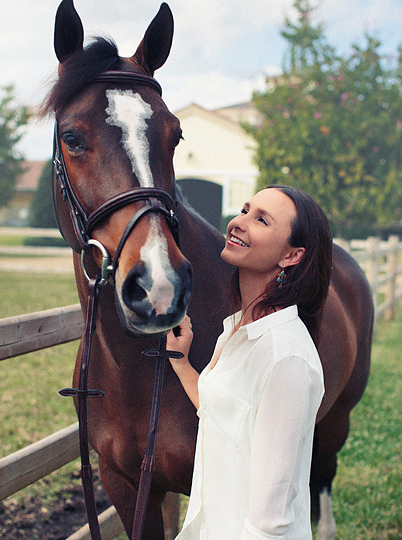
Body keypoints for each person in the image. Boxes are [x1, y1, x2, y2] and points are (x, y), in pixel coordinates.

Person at [167, 185, 333, 540]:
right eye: (244, 210)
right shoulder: (237, 330)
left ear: (291, 256)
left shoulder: (285, 356)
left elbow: (268, 523)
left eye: (261, 220)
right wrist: (182, 364)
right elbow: (223, 413)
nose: (238, 222)